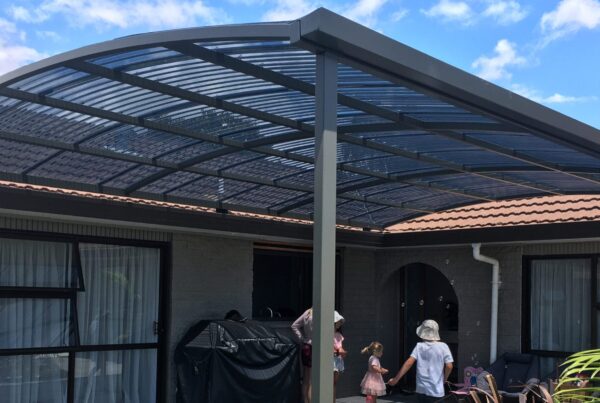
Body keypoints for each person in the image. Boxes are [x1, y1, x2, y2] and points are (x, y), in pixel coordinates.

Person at [388, 319, 453, 403]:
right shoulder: (443, 346)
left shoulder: (419, 346)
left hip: (421, 389)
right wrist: (444, 379)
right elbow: (449, 366)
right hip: (436, 390)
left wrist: (395, 380)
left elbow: (409, 362)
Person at [292, 308, 314, 403]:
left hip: (306, 345)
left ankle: (305, 401)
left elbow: (294, 325)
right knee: (312, 380)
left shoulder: (308, 312)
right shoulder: (321, 314)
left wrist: (302, 339)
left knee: (306, 378)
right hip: (315, 347)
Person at [333, 311, 347, 403]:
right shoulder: (327, 334)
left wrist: (343, 352)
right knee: (330, 383)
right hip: (332, 359)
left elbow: (340, 346)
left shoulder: (339, 335)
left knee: (334, 383)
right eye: (338, 321)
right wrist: (338, 351)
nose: (339, 323)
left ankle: (333, 400)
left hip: (338, 359)